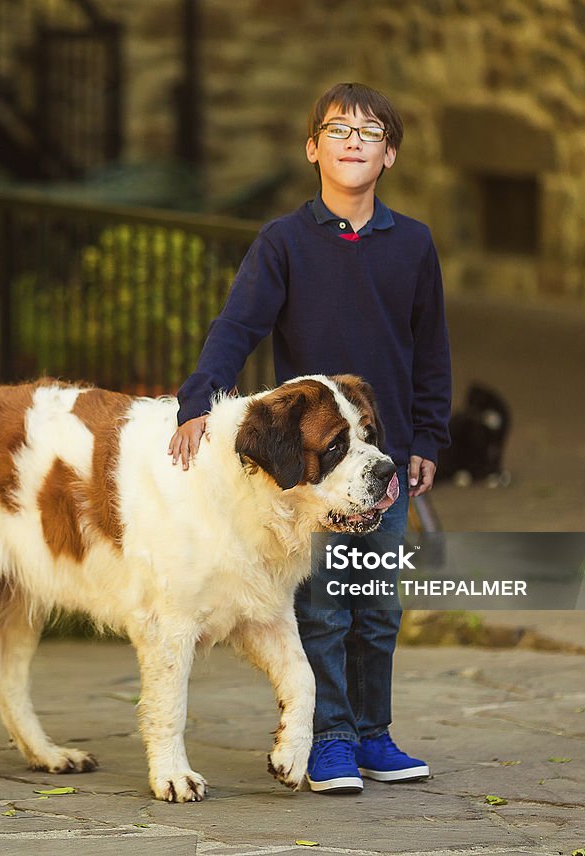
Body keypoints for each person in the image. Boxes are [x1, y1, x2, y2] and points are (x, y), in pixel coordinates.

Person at [168, 82, 451, 794]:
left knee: (377, 606)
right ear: (312, 148)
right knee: (322, 608)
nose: (352, 141)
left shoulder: (413, 245)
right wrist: (197, 399)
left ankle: (372, 734)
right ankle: (327, 738)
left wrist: (427, 441)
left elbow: (431, 353)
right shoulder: (283, 242)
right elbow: (238, 326)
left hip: (382, 463)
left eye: (369, 132)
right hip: (315, 470)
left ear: (389, 155)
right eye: (337, 129)